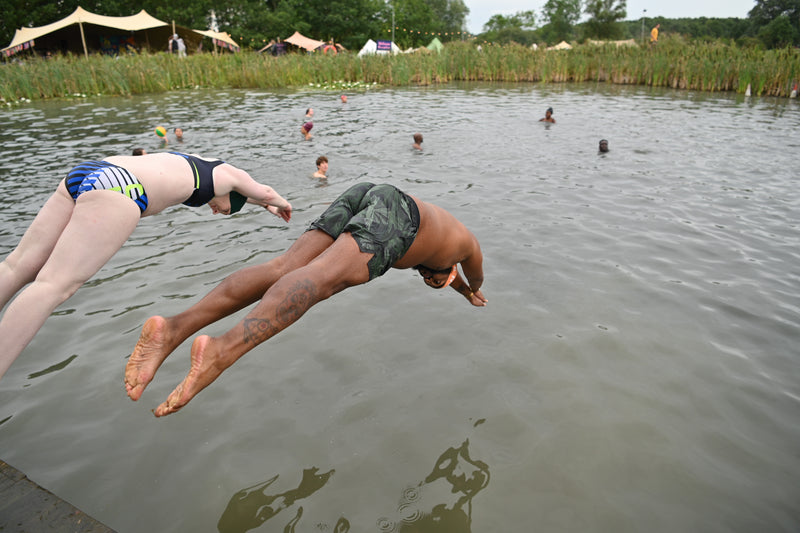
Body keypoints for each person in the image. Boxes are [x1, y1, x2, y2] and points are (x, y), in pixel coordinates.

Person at [125, 182, 487, 416]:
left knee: (284, 266)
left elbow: (455, 279)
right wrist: (473, 291)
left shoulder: (444, 244)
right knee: (323, 279)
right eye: (434, 279)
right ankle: (220, 351)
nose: (427, 277)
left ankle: (172, 329)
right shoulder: (467, 247)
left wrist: (462, 293)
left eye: (429, 281)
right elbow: (475, 276)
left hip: (369, 193)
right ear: (449, 270)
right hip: (397, 213)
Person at [0, 152, 292, 381]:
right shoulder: (233, 177)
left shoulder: (207, 165)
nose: (216, 211)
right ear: (234, 193)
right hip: (121, 187)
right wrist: (281, 203)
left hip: (89, 172)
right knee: (54, 286)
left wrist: (263, 205)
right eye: (224, 209)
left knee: (18, 266)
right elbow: (265, 191)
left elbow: (252, 195)